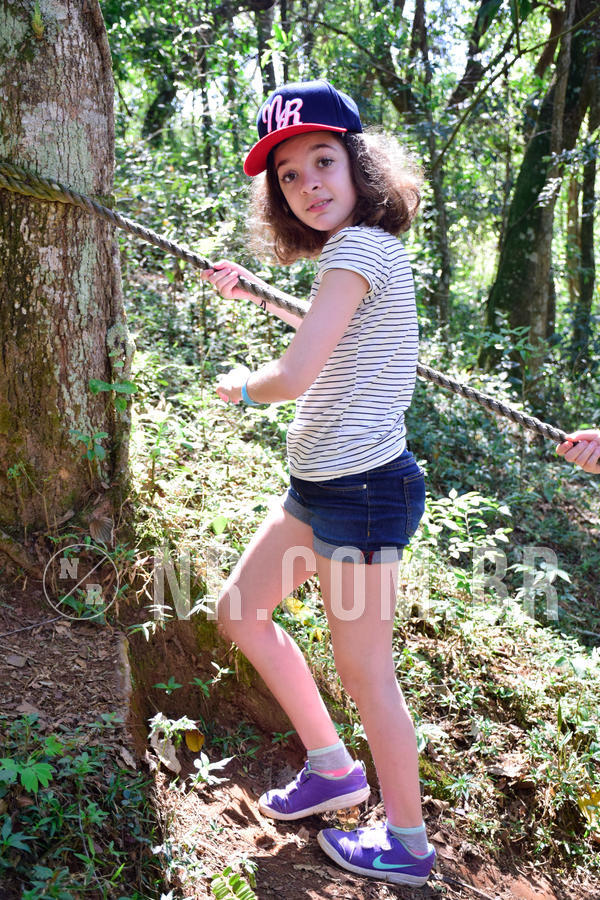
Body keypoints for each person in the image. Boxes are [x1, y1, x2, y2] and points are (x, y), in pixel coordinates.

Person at [201, 79, 435, 887]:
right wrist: (253, 293)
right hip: (321, 486)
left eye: (324, 161)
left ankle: (407, 842)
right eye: (290, 176)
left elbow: (299, 372)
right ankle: (334, 769)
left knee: (368, 672)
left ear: (361, 163)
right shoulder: (353, 256)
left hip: (363, 492)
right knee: (240, 612)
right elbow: (331, 333)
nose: (309, 185)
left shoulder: (361, 248)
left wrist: (241, 385)